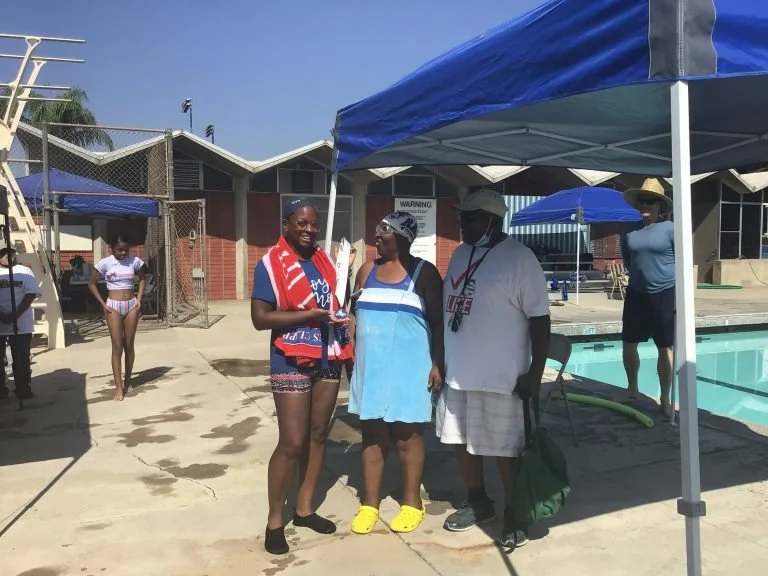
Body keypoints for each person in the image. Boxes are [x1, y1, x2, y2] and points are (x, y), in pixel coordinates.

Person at [436, 189, 551, 550]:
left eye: (470, 218)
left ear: (492, 219)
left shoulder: (520, 259)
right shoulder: (459, 253)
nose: (462, 224)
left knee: (504, 449)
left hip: (501, 378)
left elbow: (541, 322)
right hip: (459, 373)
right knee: (461, 442)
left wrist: (534, 376)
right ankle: (478, 500)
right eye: (461, 218)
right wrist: (439, 363)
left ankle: (514, 513)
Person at [251, 198, 354, 556]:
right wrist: (308, 315)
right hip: (291, 356)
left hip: (328, 354)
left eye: (314, 223)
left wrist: (342, 293)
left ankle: (305, 508)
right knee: (292, 442)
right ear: (286, 225)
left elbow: (335, 303)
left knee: (317, 434)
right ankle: (274, 520)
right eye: (301, 223)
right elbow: (260, 318)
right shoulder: (270, 264)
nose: (309, 229)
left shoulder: (325, 262)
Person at [347, 211, 444, 535]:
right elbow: (352, 316)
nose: (377, 236)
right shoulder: (366, 271)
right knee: (373, 438)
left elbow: (439, 325)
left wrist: (438, 364)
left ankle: (411, 503)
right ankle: (369, 504)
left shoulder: (424, 274)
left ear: (403, 237)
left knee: (407, 437)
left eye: (384, 231)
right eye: (377, 229)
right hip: (371, 369)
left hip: (409, 369)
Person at [620, 178, 675, 416]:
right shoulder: (629, 231)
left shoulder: (671, 229)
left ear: (660, 205)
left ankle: (664, 396)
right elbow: (628, 262)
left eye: (650, 201)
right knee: (629, 343)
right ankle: (632, 388)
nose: (646, 205)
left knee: (665, 347)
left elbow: (683, 262)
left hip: (664, 293)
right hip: (636, 294)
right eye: (642, 201)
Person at [89, 234, 147, 401]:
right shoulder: (105, 263)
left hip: (131, 305)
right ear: (112, 249)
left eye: (126, 250)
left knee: (129, 345)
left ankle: (128, 380)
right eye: (119, 250)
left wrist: (139, 299)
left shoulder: (134, 261)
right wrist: (102, 304)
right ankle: (118, 387)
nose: (123, 253)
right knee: (117, 345)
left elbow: (142, 278)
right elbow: (91, 283)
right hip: (113, 306)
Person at [0, 248, 40, 401]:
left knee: (21, 358)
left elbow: (31, 294)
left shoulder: (24, 271)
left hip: (21, 323)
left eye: (10, 255)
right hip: (1, 322)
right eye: (3, 255)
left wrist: (15, 314)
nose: (6, 258)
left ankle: (23, 388)